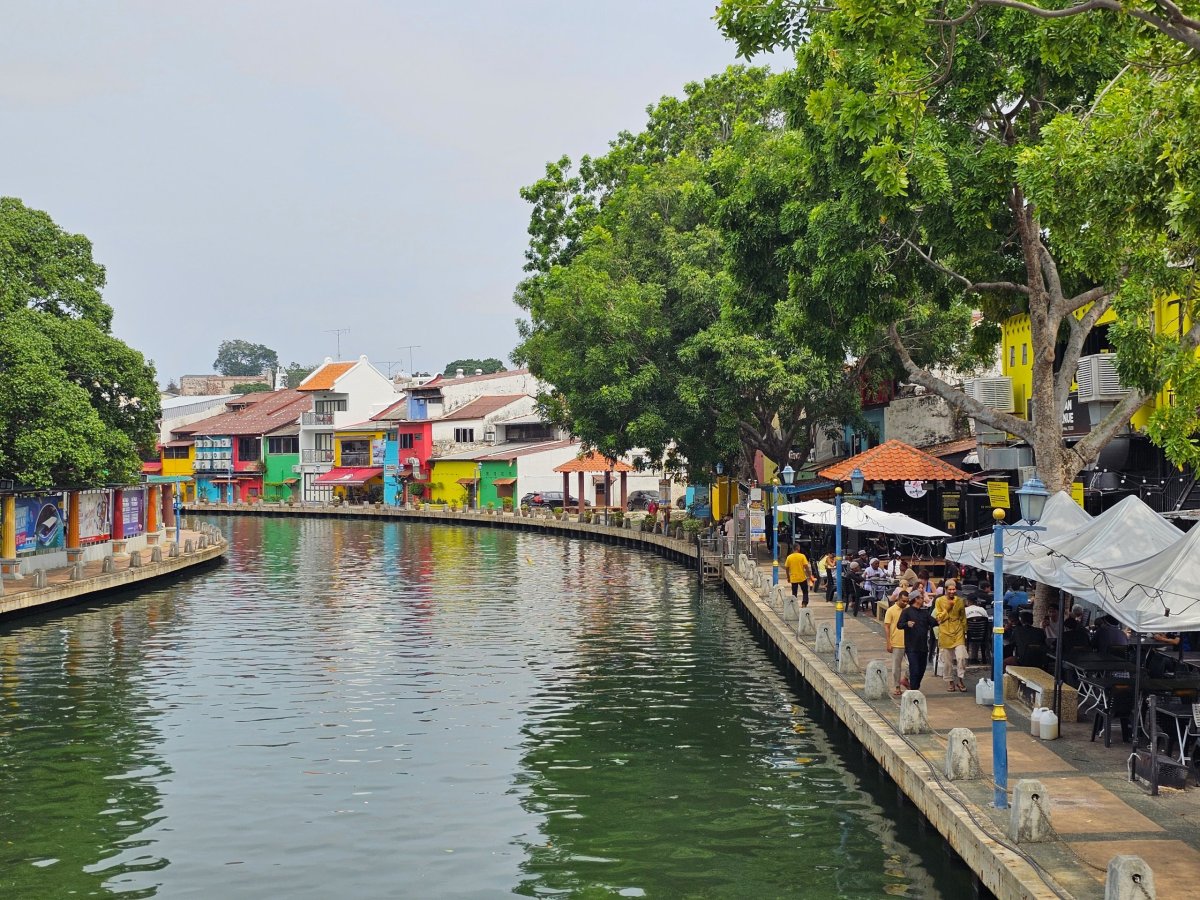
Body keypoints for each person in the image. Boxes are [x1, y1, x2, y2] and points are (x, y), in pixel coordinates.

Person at [934, 579, 968, 692]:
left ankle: (961, 680)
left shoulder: (960, 601)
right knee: (948, 661)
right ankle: (950, 682)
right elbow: (939, 618)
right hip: (945, 632)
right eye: (950, 589)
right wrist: (948, 608)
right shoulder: (939, 601)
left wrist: (965, 631)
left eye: (954, 589)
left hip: (958, 632)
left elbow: (963, 617)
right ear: (946, 590)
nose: (952, 592)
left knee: (961, 657)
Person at [898, 592, 935, 691]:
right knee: (914, 669)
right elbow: (899, 625)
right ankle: (913, 691)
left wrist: (942, 618)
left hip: (923, 646)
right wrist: (907, 624)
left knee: (921, 670)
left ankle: (915, 687)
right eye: (921, 598)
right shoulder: (906, 612)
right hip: (911, 647)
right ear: (916, 599)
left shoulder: (924, 613)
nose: (923, 600)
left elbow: (934, 622)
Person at [884, 590, 910, 696]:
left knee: (911, 664)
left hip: (908, 641)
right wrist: (888, 642)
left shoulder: (909, 610)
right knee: (896, 667)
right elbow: (887, 626)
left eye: (906, 601)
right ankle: (897, 686)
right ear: (898, 599)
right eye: (903, 601)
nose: (905, 603)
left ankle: (905, 678)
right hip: (896, 641)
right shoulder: (891, 610)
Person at [965, 597, 991, 664]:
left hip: (969, 635)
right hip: (982, 635)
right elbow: (987, 619)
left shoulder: (965, 610)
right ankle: (982, 658)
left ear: (968, 602)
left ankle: (971, 658)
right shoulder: (982, 609)